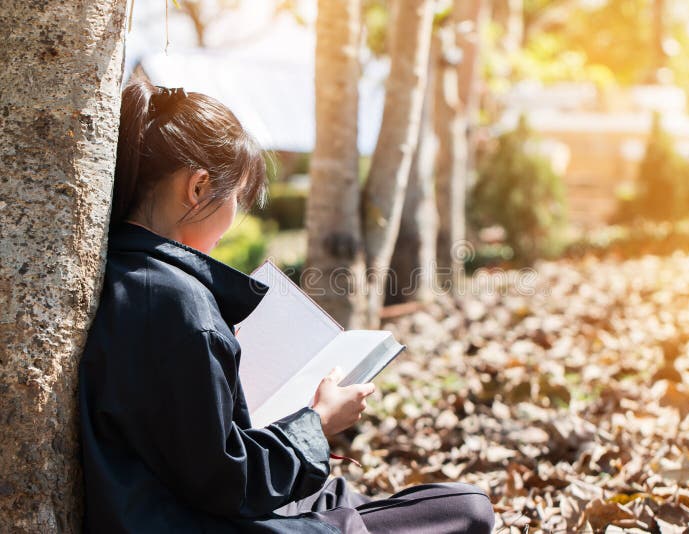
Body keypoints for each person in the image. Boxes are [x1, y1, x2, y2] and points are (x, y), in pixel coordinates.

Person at [78, 79, 495, 533]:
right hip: (192, 521)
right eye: (236, 196)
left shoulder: (122, 274)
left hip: (165, 507)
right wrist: (318, 422)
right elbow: (227, 483)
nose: (236, 214)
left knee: (379, 501)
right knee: (466, 509)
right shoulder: (177, 303)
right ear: (198, 188)